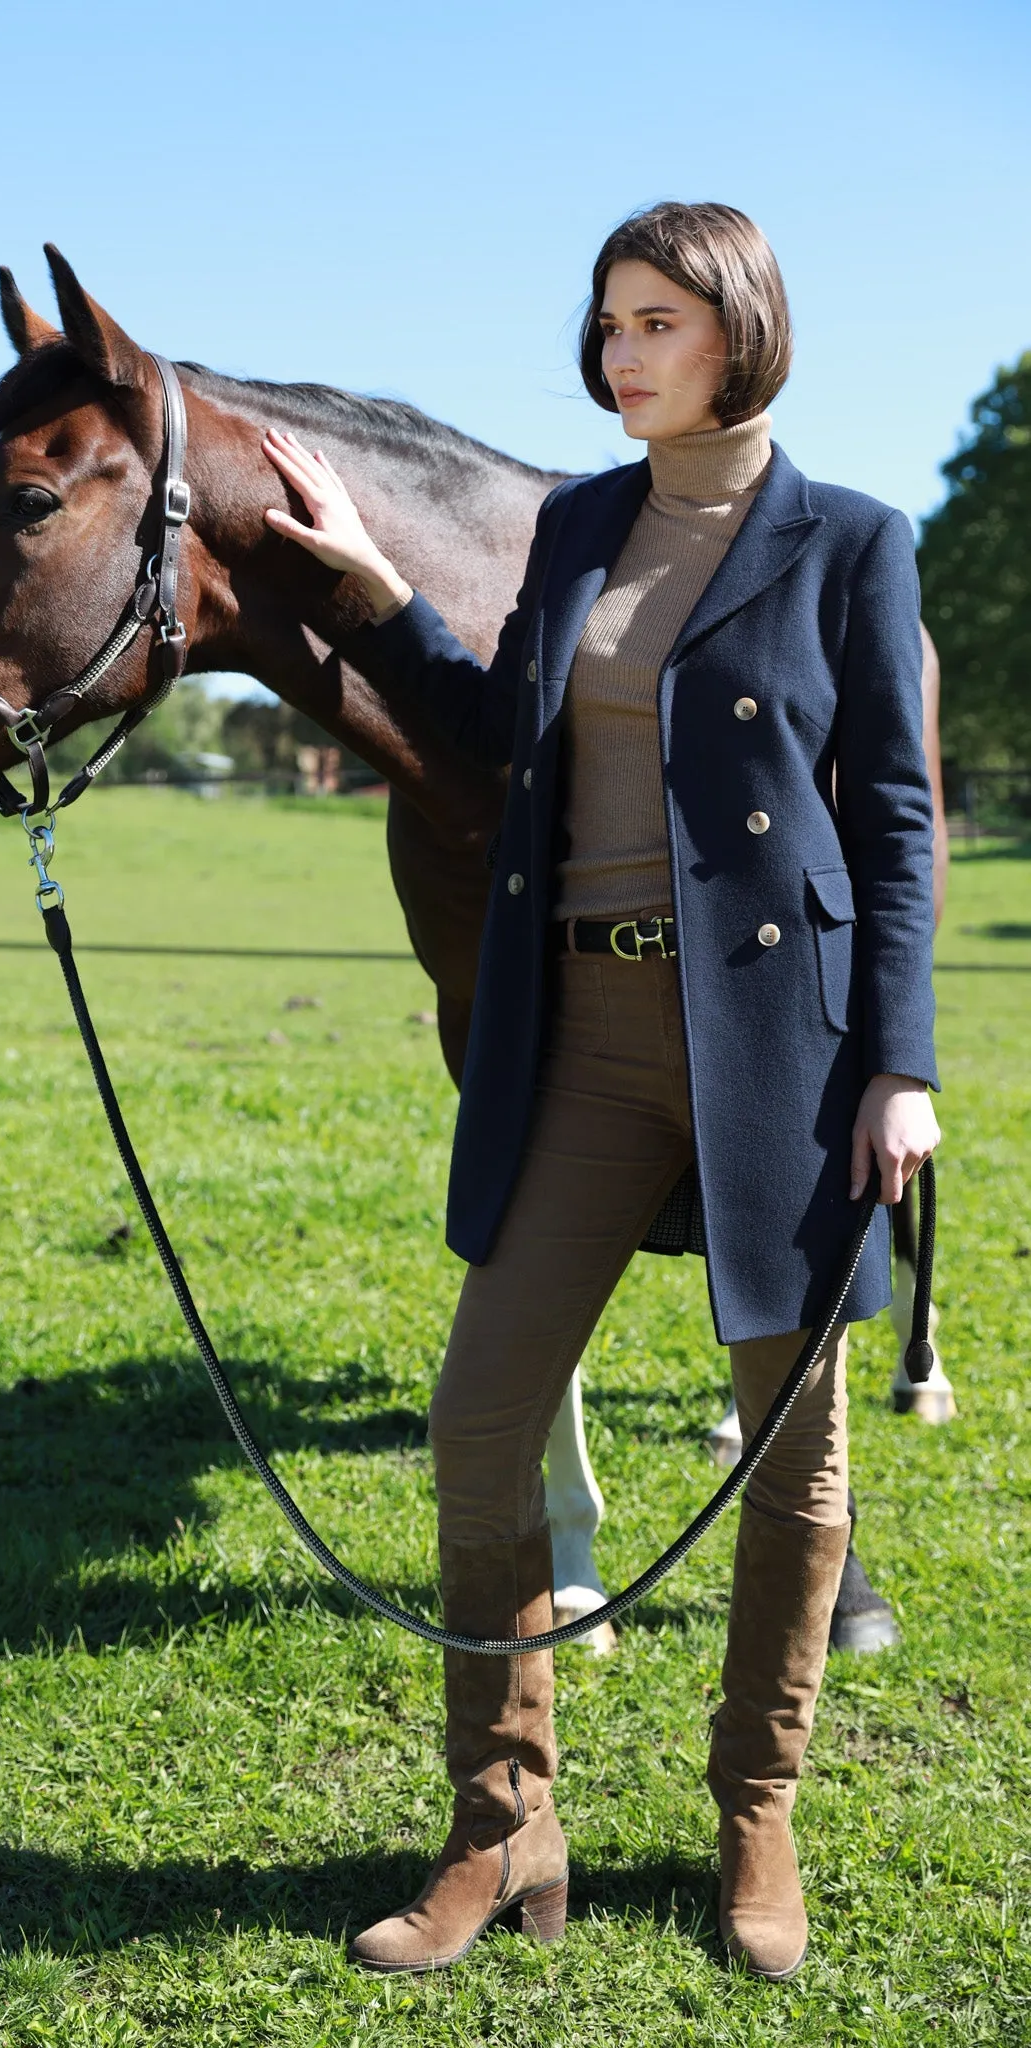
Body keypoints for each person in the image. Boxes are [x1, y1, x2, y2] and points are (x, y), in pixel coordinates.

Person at [262, 201, 940, 1983]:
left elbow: (890, 823)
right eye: (609, 322)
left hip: (783, 1058)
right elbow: (492, 731)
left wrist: (902, 1065)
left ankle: (756, 1814)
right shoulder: (576, 526)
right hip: (578, 1041)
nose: (620, 351)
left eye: (656, 320)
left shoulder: (853, 543)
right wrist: (371, 587)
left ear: (739, 328)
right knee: (481, 1417)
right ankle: (504, 1833)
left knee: (796, 1466)